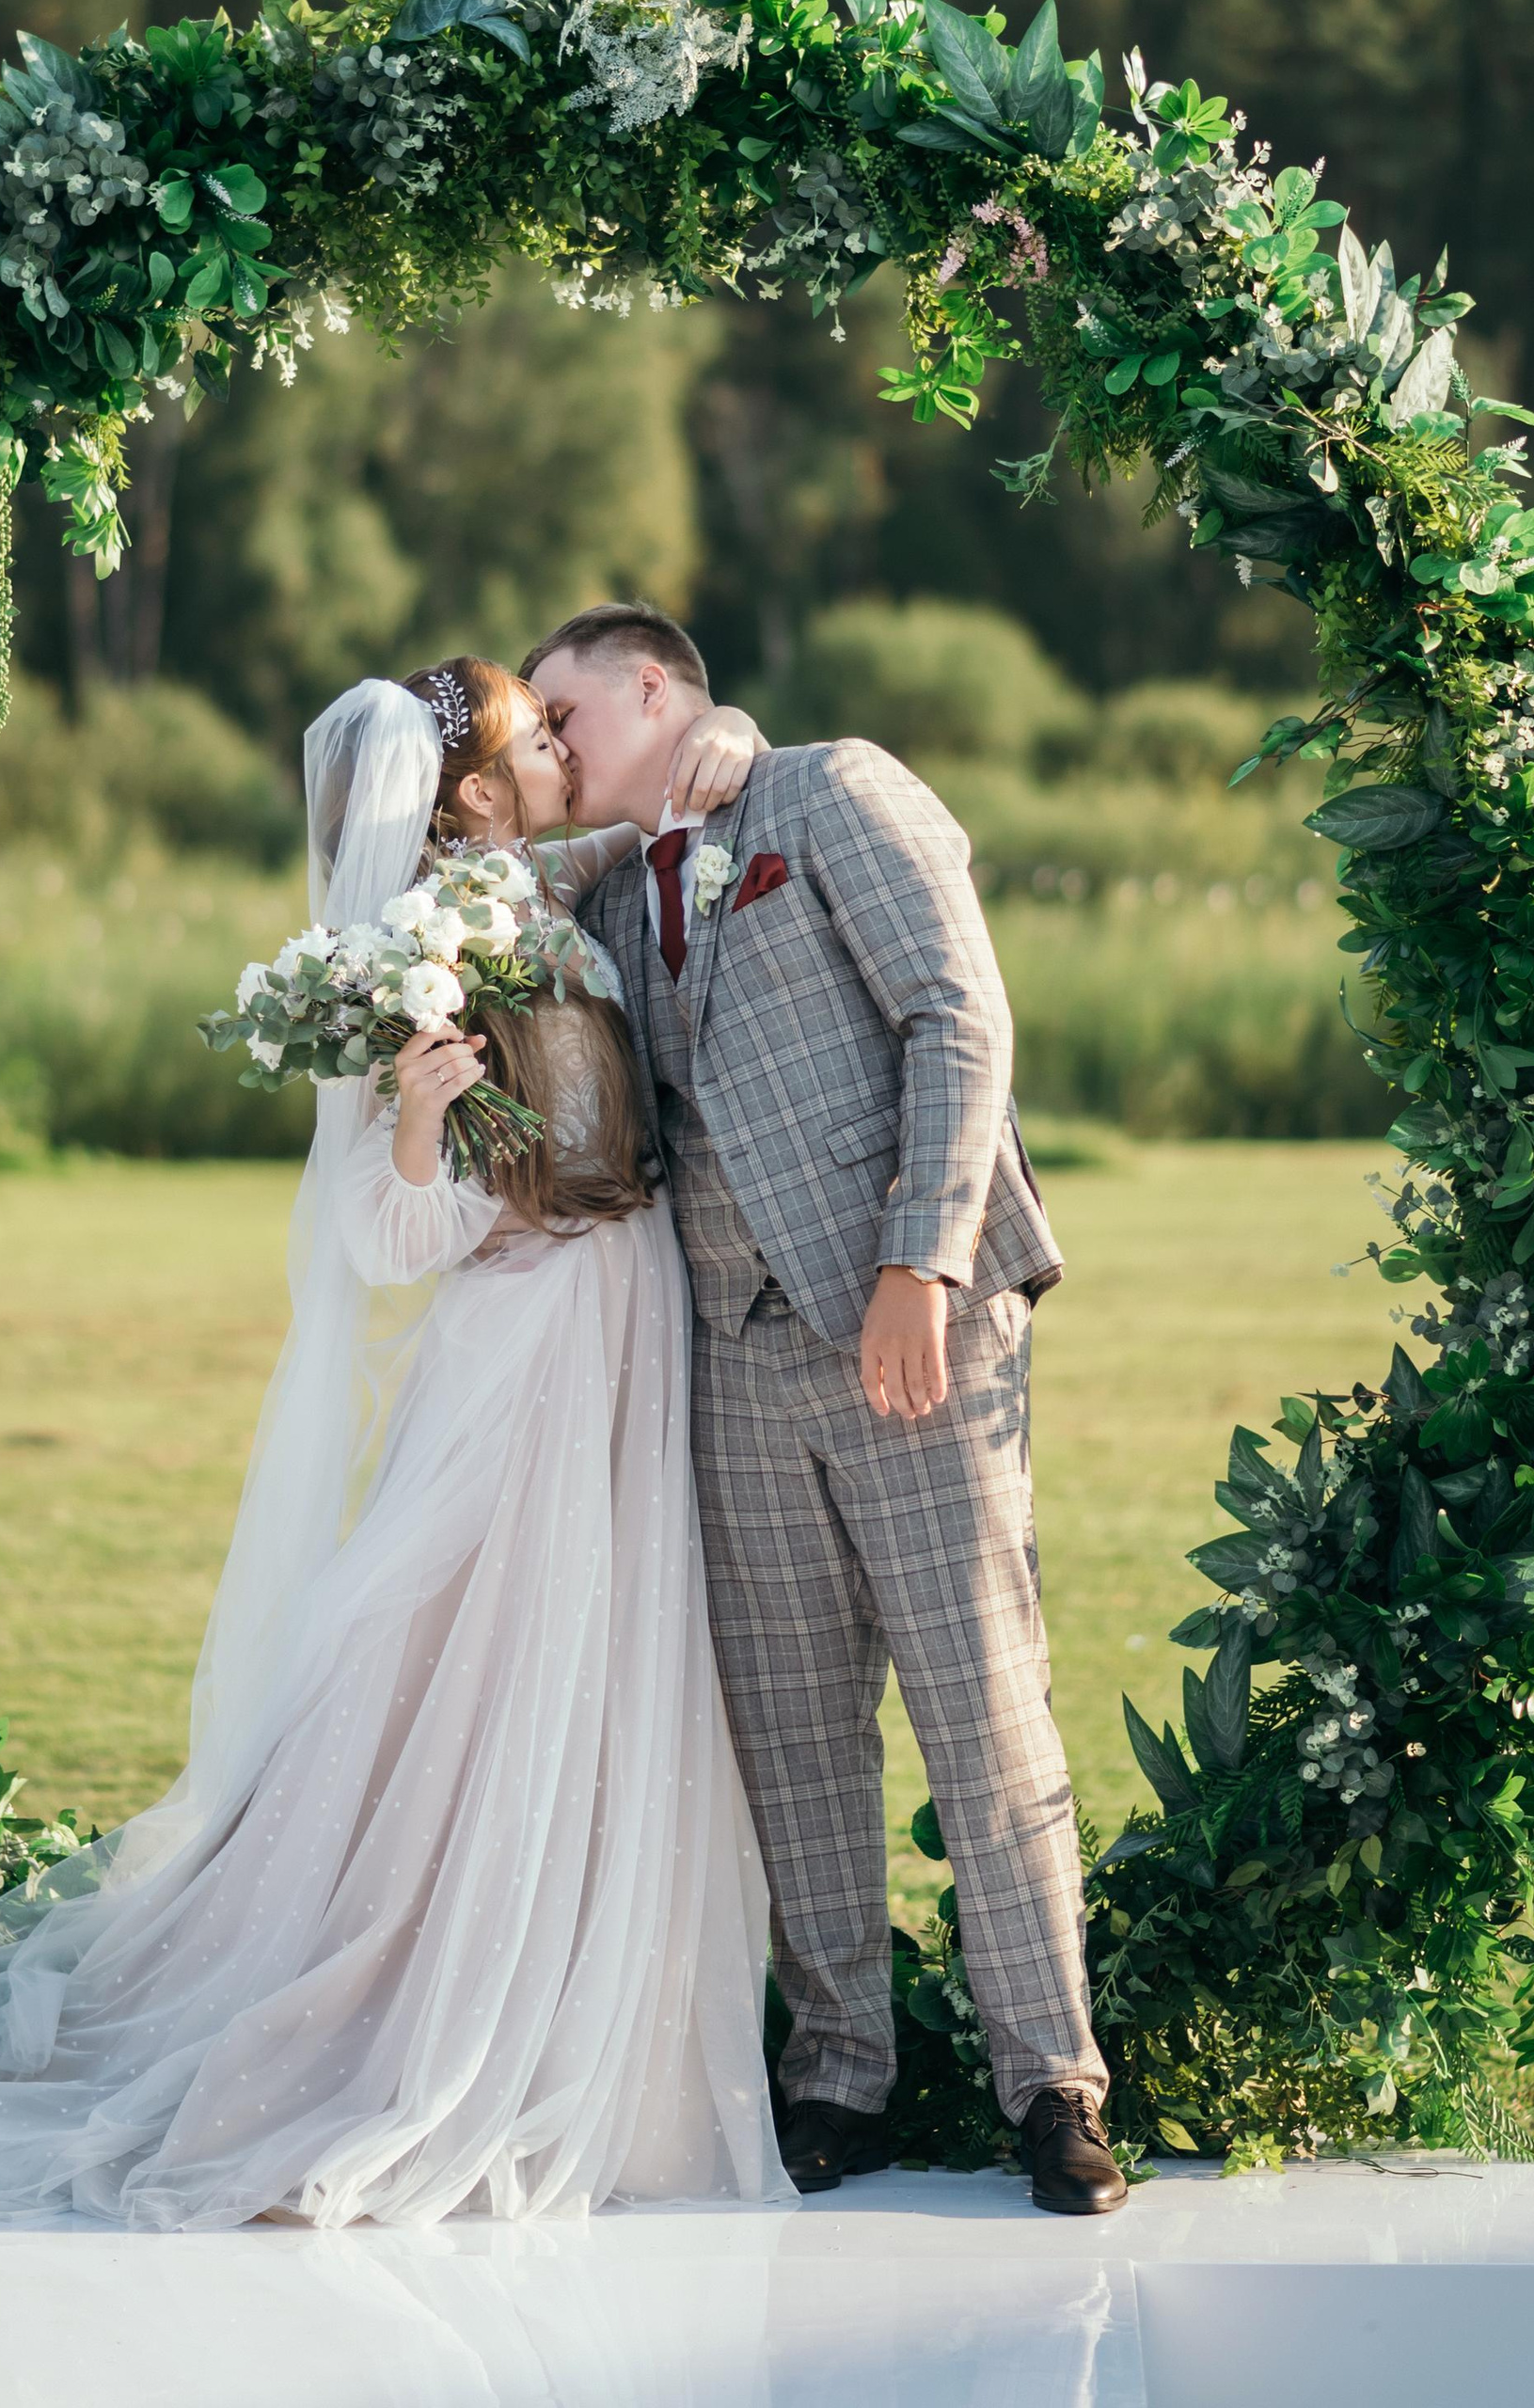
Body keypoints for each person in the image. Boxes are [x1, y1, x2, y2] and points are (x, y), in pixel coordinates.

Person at [0, 661, 794, 2234]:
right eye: (534, 735)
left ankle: (597, 2010)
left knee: (598, 1660)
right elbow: (390, 1238)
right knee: (493, 1662)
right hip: (533, 1342)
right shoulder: (428, 947)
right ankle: (432, 2011)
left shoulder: (534, 888)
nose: (556, 745)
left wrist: (726, 730)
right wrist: (416, 1116)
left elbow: (647, 825)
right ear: (472, 791)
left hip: (622, 1317)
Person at [520, 601, 1125, 2217]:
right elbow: (474, 882)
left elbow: (958, 1013)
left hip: (912, 1324)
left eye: (567, 714)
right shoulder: (606, 888)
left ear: (656, 684)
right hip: (731, 1355)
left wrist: (921, 1260)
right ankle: (841, 2071)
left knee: (983, 1711)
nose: (552, 748)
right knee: (791, 1739)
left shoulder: (833, 788)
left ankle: (1052, 2080)